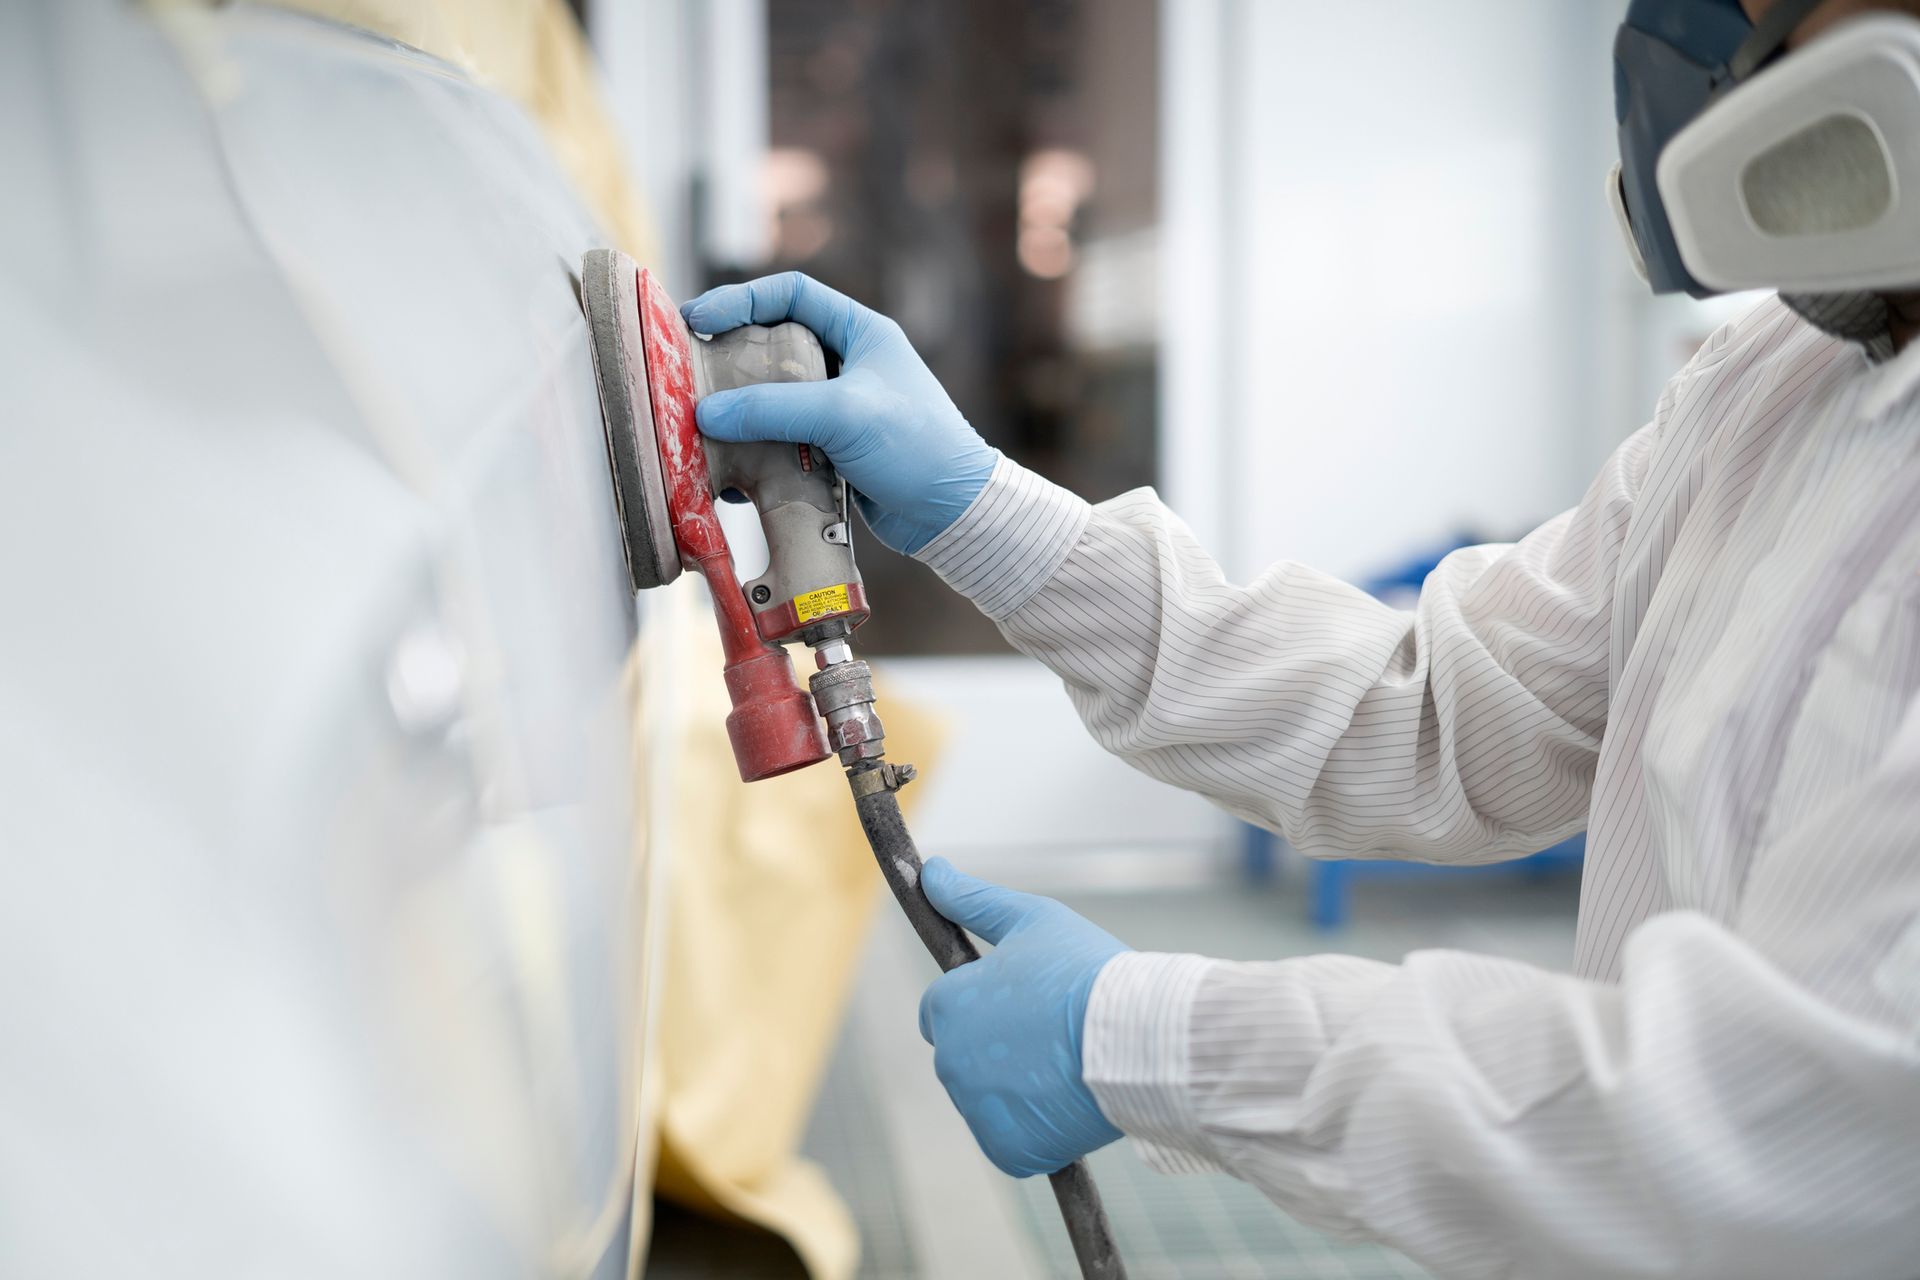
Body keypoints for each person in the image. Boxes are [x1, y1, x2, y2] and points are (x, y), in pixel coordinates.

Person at [683, 1, 1920, 1275]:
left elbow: (1773, 1132)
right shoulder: (1772, 381)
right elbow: (1436, 714)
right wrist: (985, 510)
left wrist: (1145, 1035)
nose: (1695, 34)